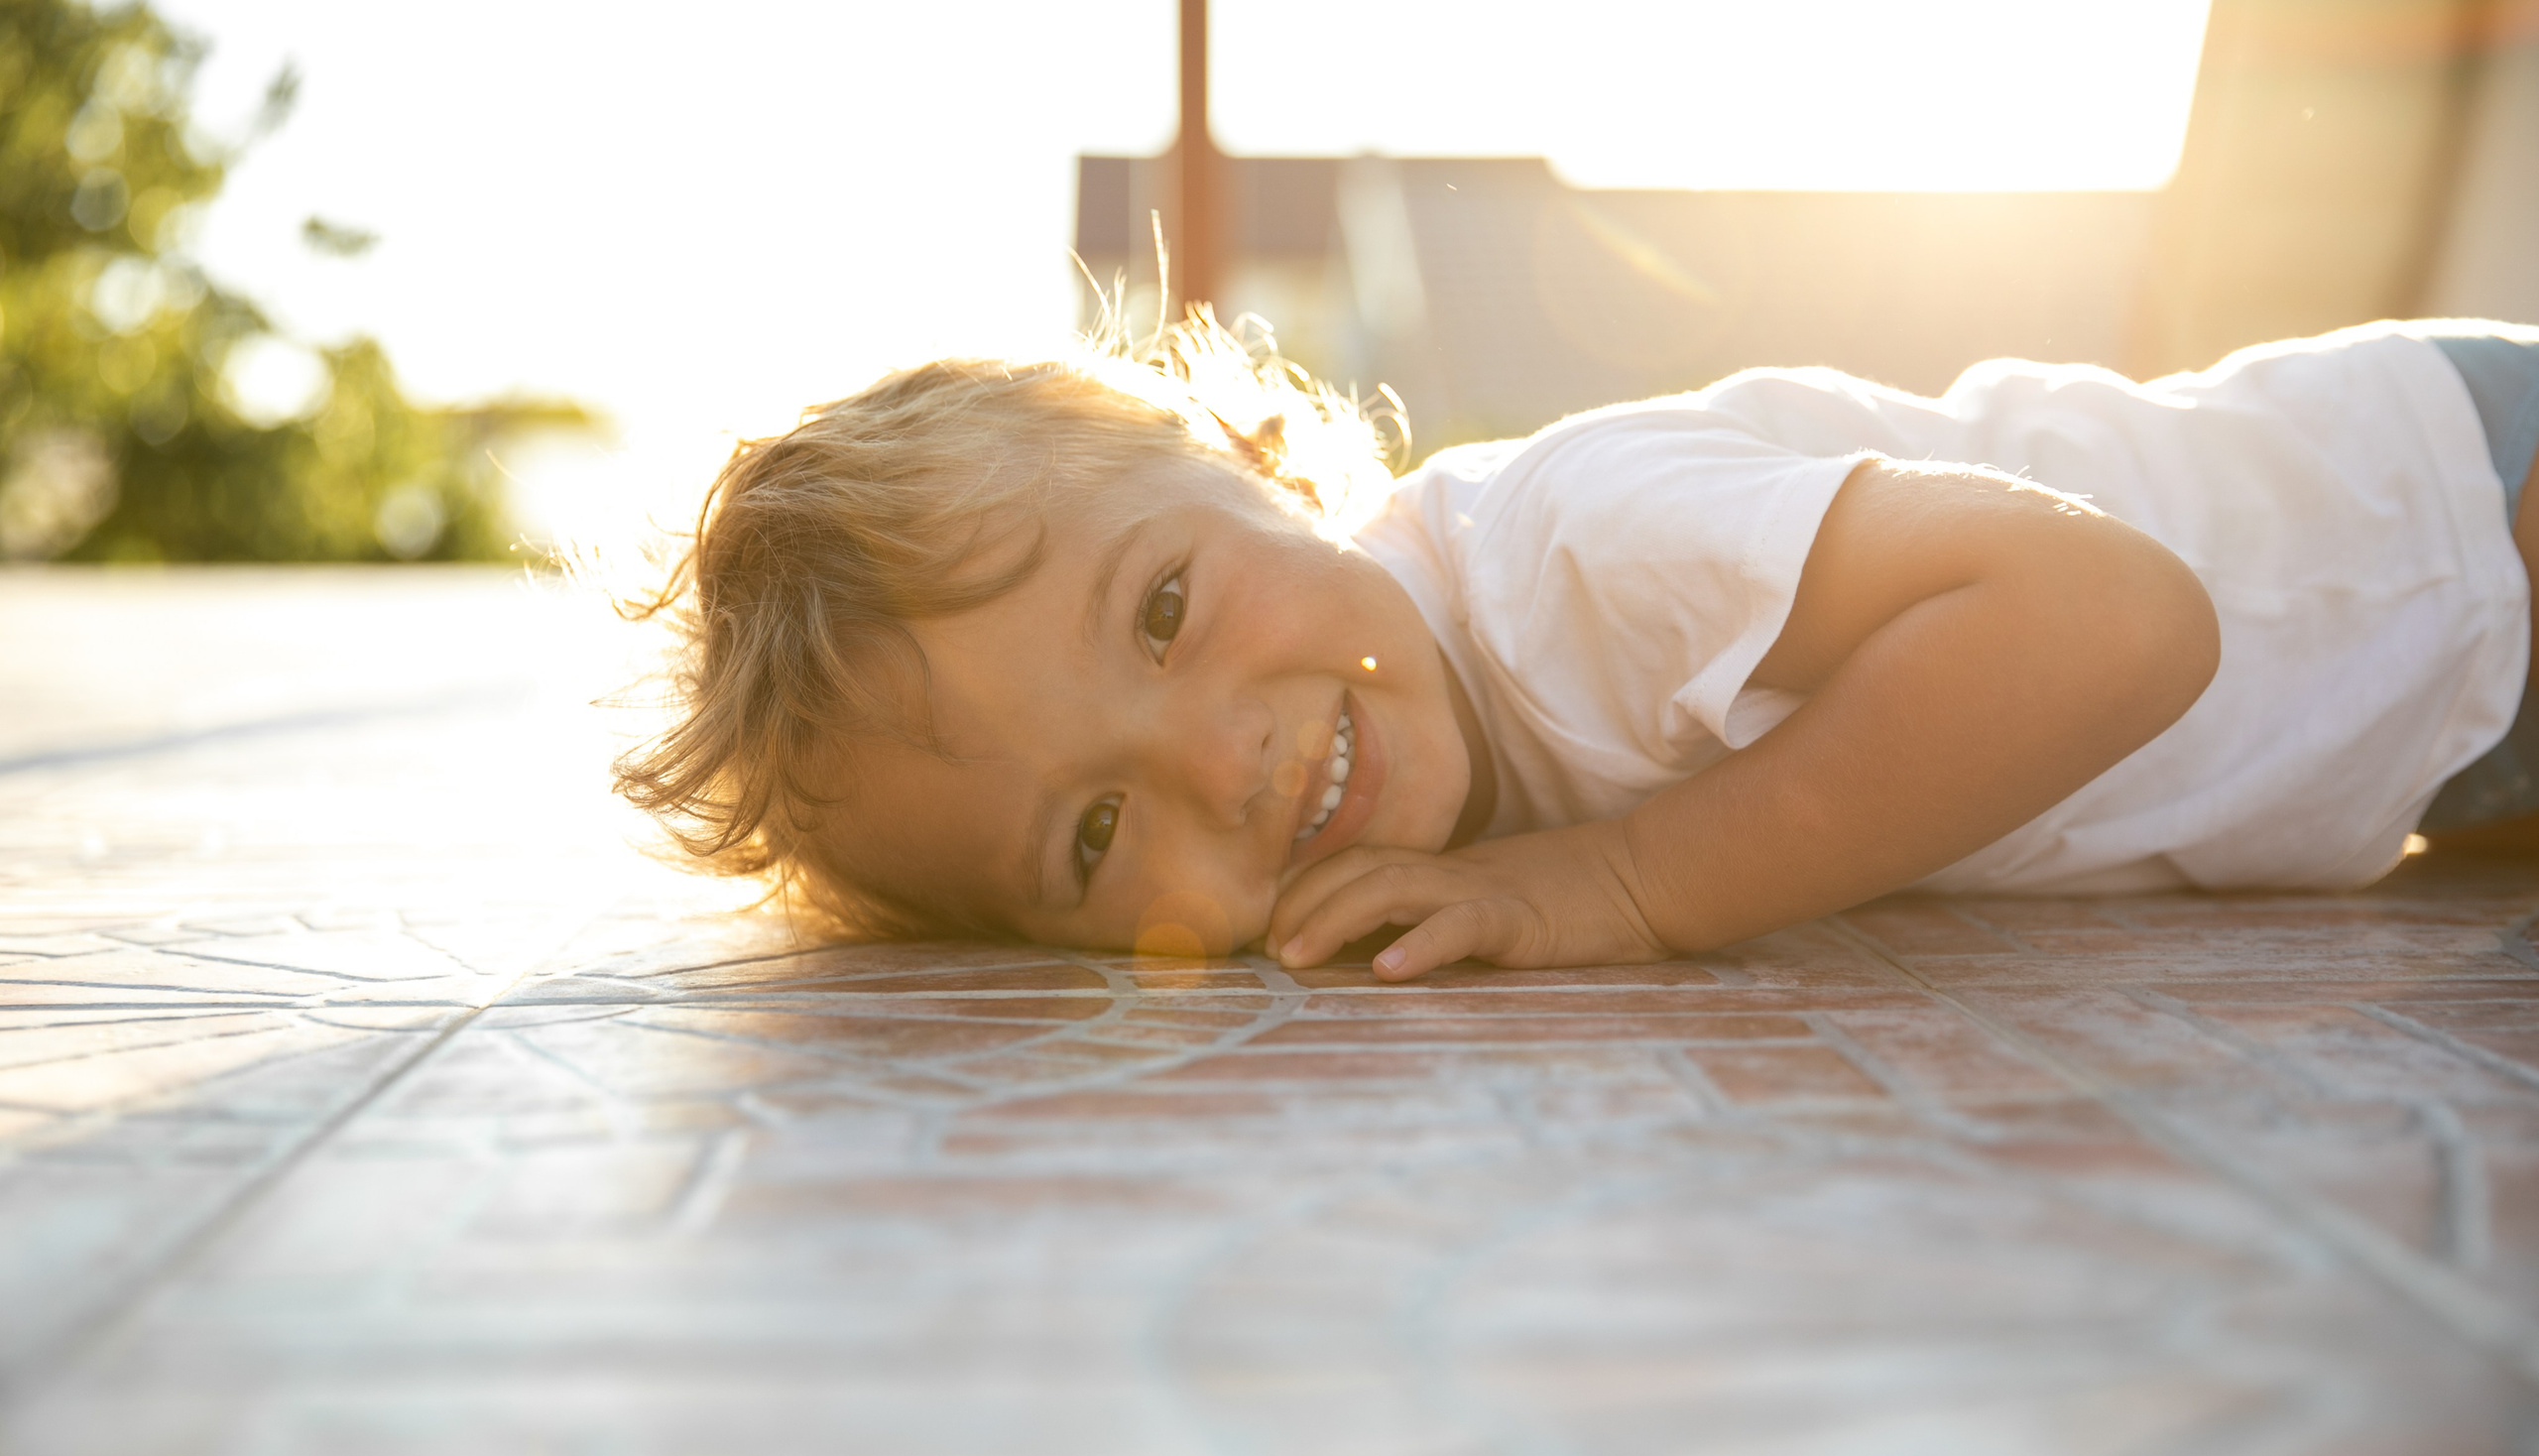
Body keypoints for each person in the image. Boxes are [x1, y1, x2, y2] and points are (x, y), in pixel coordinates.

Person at [611, 313, 2539, 982]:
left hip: (2460, 509)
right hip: (2441, 733)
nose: (1220, 764)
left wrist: (1628, 880)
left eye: (1167, 609)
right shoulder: (1447, 767)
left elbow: (2120, 621)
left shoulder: (1567, 543)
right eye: (1094, 837)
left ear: (1234, 454)